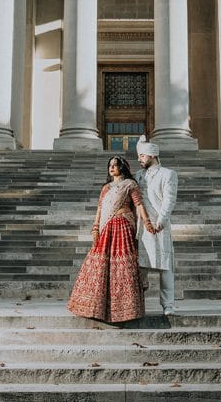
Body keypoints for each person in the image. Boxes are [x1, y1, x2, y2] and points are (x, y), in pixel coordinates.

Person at [67, 155, 157, 323]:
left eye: (115, 165)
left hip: (123, 227)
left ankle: (126, 310)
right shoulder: (106, 188)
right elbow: (100, 208)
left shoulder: (130, 185)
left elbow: (139, 204)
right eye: (110, 165)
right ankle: (94, 307)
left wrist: (147, 222)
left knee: (123, 267)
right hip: (106, 228)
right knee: (99, 265)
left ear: (122, 167)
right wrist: (95, 227)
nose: (112, 168)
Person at [135, 135, 178, 316]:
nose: (139, 159)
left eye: (142, 156)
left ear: (152, 155)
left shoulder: (168, 174)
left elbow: (169, 200)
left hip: (160, 226)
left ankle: (168, 304)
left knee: (165, 267)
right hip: (141, 227)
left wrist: (160, 221)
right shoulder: (138, 176)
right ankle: (138, 303)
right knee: (139, 267)